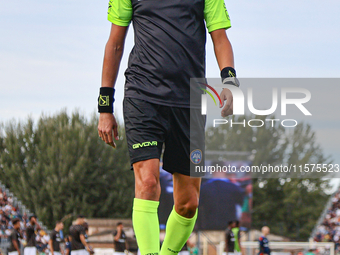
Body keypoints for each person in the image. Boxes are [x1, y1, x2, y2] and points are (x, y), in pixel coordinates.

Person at [97, 0, 239, 253]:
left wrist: (230, 80)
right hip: (143, 96)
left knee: (188, 204)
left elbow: (220, 37)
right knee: (148, 182)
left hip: (191, 102)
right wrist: (105, 107)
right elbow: (115, 44)